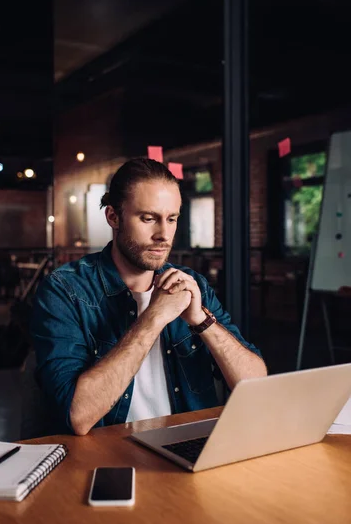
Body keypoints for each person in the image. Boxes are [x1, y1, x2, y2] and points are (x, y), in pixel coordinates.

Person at [31, 158, 266, 435]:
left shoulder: (192, 286)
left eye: (172, 219)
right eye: (148, 218)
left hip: (189, 446)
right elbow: (78, 416)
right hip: (107, 455)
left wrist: (202, 321)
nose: (163, 235)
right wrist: (153, 317)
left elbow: (256, 387)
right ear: (113, 217)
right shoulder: (65, 290)